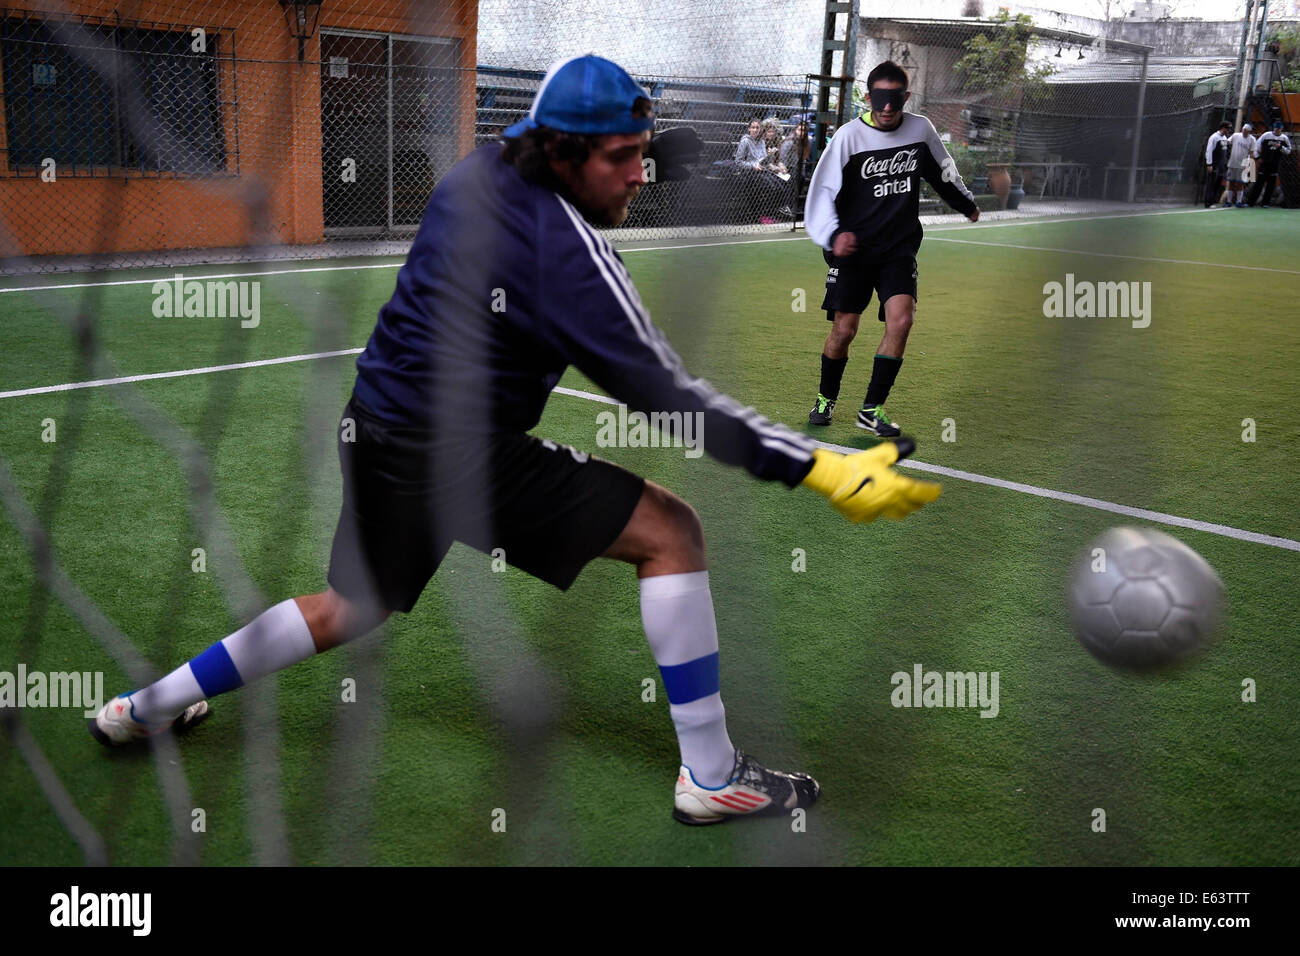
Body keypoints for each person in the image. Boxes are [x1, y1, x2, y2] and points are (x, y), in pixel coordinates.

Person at [87, 55, 942, 827]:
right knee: (671, 532)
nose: (638, 174)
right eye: (619, 157)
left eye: (642, 150)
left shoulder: (482, 169)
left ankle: (144, 708)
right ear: (563, 154)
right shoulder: (567, 259)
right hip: (457, 452)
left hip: (376, 423)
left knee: (353, 604)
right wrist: (816, 466)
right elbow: (669, 397)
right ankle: (712, 776)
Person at [803, 60, 979, 434]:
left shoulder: (920, 129)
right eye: (880, 99)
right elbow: (822, 192)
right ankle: (825, 399)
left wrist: (966, 204)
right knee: (844, 330)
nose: (887, 108)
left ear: (906, 98)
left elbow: (943, 171)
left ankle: (871, 409)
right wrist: (834, 236)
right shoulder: (848, 138)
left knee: (902, 319)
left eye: (894, 100)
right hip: (853, 251)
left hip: (897, 248)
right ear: (867, 98)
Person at [1251, 120, 1292, 207]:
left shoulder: (1284, 138)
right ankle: (1251, 202)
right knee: (1259, 183)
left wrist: (1280, 147)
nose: (1277, 131)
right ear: (1274, 128)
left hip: (1275, 164)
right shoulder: (1266, 135)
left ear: (1281, 129)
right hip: (1264, 163)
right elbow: (1257, 146)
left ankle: (1265, 203)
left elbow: (1288, 151)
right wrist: (1257, 157)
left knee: (1271, 184)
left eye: (1279, 129)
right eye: (1276, 129)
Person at [1224, 123, 1257, 208]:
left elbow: (1252, 153)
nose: (1243, 131)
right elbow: (1228, 141)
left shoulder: (1252, 139)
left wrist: (1250, 165)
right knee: (1231, 182)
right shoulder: (1235, 135)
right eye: (1243, 129)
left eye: (1246, 130)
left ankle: (1239, 202)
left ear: (1249, 131)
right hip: (1232, 163)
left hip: (1243, 165)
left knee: (1240, 184)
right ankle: (1228, 202)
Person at [1203, 121, 1231, 208]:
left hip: (1221, 165)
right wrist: (1209, 164)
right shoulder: (1214, 137)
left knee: (1218, 183)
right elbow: (1209, 151)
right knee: (1211, 183)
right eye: (1227, 128)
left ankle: (1213, 201)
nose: (1229, 130)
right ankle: (1208, 202)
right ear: (1223, 128)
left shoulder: (1225, 137)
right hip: (1214, 164)